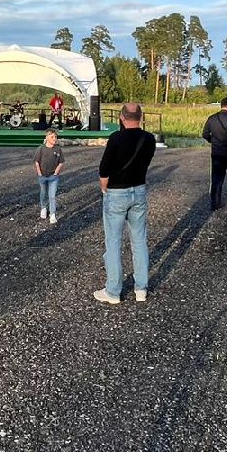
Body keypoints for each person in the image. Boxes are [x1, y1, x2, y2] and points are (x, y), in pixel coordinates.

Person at [93, 103, 157, 305]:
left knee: (113, 242)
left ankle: (113, 291)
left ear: (122, 117)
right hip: (138, 190)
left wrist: (105, 188)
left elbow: (105, 168)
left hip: (117, 192)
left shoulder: (116, 138)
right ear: (141, 116)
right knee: (139, 241)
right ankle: (141, 289)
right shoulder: (149, 139)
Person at [203, 97, 227, 211]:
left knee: (216, 178)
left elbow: (205, 134)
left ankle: (215, 203)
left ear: (221, 105)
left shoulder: (212, 118)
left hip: (216, 152)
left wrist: (212, 140)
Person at [34, 128, 64, 224]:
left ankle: (52, 214)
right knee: (43, 193)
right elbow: (37, 162)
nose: (54, 139)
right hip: (42, 176)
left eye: (55, 137)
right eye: (52, 137)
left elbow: (61, 162)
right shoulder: (41, 148)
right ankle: (43, 208)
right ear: (47, 137)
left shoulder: (58, 149)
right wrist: (39, 173)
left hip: (53, 177)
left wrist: (56, 172)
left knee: (52, 195)